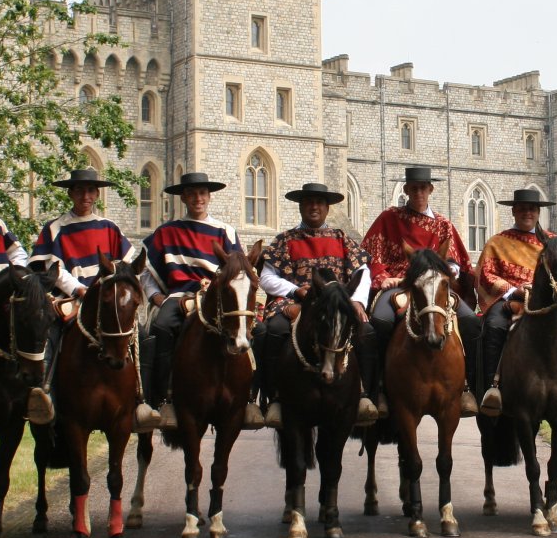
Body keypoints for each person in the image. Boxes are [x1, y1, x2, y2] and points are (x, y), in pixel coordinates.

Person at [140, 172, 256, 431]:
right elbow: (146, 273)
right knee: (160, 327)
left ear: (209, 196)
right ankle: (162, 395)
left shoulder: (225, 231)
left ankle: (247, 397)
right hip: (179, 295)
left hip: (215, 298)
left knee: (244, 327)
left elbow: (236, 269)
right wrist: (156, 297)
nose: (197, 198)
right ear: (184, 197)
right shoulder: (167, 232)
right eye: (192, 194)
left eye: (202, 193)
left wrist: (214, 283)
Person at [360, 165, 480, 417]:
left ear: (430, 190)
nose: (418, 193)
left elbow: (455, 261)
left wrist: (448, 273)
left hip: (435, 286)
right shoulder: (388, 219)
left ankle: (468, 387)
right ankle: (378, 387)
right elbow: (370, 254)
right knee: (379, 322)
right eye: (413, 188)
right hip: (399, 284)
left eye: (423, 188)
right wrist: (383, 277)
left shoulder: (444, 225)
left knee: (470, 321)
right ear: (406, 190)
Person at [255, 181, 377, 428]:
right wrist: (294, 289)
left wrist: (356, 302)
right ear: (300, 206)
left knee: (367, 331)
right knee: (273, 331)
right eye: (309, 202)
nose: (314, 207)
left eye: (319, 202)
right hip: (292, 303)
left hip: (336, 306)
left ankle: (363, 393)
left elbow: (363, 271)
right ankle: (274, 396)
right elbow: (266, 278)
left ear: (327, 208)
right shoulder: (284, 240)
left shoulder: (342, 238)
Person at [475, 188, 557, 419]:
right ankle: (493, 389)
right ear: (513, 211)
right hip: (511, 302)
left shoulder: (555, 242)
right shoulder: (497, 242)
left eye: (532, 209)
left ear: (538, 212)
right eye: (522, 209)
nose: (527, 213)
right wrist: (513, 291)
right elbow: (486, 274)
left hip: (552, 305)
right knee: (494, 327)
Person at [29, 167, 134, 425]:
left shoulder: (109, 228)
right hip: (72, 299)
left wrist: (106, 290)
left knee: (138, 336)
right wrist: (79, 289)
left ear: (97, 194)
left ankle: (141, 398)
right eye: (79, 190)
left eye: (90, 190)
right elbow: (53, 267)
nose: (85, 195)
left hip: (106, 302)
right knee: (49, 336)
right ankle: (45, 396)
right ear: (71, 193)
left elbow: (125, 265)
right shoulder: (55, 229)